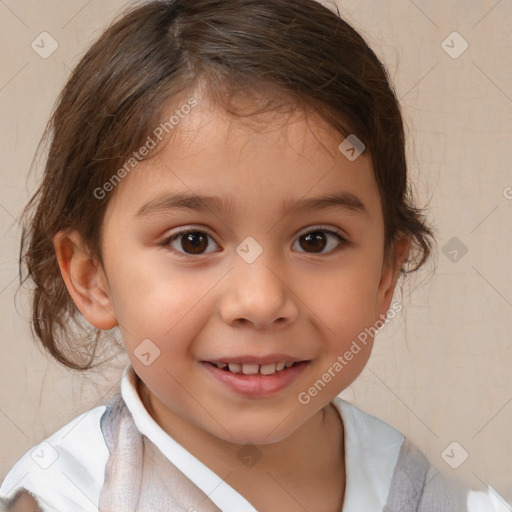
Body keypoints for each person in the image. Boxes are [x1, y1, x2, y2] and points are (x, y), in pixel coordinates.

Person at [0, 0, 504, 510]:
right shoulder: (61, 499)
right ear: (93, 279)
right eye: (192, 241)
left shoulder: (447, 500)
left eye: (316, 240)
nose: (261, 301)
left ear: (384, 276)